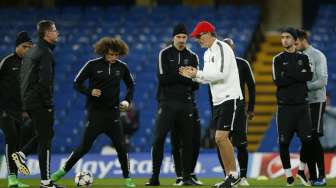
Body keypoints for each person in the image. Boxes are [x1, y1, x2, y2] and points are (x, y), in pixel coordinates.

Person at [50, 37, 136, 187]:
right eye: (110, 54)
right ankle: (60, 172)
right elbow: (76, 83)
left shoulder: (122, 67)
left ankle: (127, 179)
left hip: (113, 114)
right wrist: (90, 91)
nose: (113, 57)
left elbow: (131, 86)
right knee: (84, 147)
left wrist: (127, 101)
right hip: (95, 113)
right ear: (103, 52)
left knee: (121, 147)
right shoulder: (92, 65)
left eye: (116, 55)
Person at [180, 21, 243, 187]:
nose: (198, 40)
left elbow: (220, 74)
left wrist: (198, 74)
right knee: (220, 140)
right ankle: (230, 176)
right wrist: (193, 76)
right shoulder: (207, 54)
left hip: (230, 97)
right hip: (218, 101)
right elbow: (208, 77)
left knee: (220, 137)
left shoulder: (223, 47)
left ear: (208, 33)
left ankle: (233, 175)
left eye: (200, 36)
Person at [12, 20, 64, 188]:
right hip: (40, 102)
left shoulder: (32, 51)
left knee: (45, 134)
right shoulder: (45, 53)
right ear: (47, 33)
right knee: (46, 139)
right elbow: (45, 82)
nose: (57, 33)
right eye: (55, 30)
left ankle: (22, 154)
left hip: (29, 100)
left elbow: (23, 78)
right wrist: (48, 102)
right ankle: (46, 182)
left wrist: (25, 101)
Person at [145, 24, 199, 186]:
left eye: (184, 37)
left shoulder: (193, 56)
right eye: (178, 37)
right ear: (173, 38)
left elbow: (196, 83)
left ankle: (186, 176)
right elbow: (163, 79)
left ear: (187, 38)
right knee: (159, 138)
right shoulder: (164, 54)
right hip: (167, 103)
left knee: (187, 141)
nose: (181, 40)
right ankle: (155, 177)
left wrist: (176, 74)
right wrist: (184, 76)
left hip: (186, 103)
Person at [272, 27, 315, 186]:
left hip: (302, 106)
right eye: (282, 37)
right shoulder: (277, 59)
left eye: (287, 37)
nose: (284, 40)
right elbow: (278, 81)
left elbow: (309, 76)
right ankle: (288, 175)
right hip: (285, 108)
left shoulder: (304, 58)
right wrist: (298, 74)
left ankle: (302, 171)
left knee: (308, 141)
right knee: (284, 143)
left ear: (295, 40)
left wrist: (288, 73)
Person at [218, 38, 256, 186]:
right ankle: (228, 175)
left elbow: (251, 86)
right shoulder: (218, 66)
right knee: (221, 142)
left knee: (241, 144)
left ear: (233, 48)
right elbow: (212, 89)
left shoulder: (242, 63)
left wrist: (251, 108)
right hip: (222, 109)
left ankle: (243, 176)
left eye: (230, 46)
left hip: (239, 109)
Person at [0, 31, 33, 188]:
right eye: (25, 46)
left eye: (30, 47)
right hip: (3, 108)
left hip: (19, 111)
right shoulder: (6, 62)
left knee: (17, 144)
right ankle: (11, 178)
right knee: (11, 137)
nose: (27, 49)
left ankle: (15, 179)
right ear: (17, 47)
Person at [296, 29, 328, 186]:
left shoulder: (317, 55)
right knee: (307, 140)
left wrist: (303, 88)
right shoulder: (298, 57)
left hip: (316, 101)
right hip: (303, 103)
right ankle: (313, 177)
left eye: (296, 42)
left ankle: (322, 176)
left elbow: (322, 81)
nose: (294, 45)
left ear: (303, 40)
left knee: (314, 138)